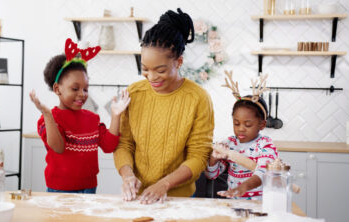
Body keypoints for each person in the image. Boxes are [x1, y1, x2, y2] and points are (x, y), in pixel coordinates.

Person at [113, 8, 214, 204]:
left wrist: (164, 184)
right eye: (145, 69)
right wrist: (127, 175)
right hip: (138, 195)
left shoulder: (198, 98)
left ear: (179, 62)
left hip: (180, 199)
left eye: (160, 70)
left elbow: (199, 155)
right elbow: (124, 143)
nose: (151, 77)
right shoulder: (134, 93)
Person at [30, 38, 131, 193]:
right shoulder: (48, 119)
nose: (82, 94)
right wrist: (47, 115)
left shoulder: (92, 118)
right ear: (57, 89)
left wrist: (116, 115)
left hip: (89, 188)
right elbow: (58, 147)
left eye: (85, 89)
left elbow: (108, 146)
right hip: (59, 189)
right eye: (75, 88)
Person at [205, 72, 278, 200]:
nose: (241, 129)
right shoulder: (229, 143)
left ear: (262, 125)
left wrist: (243, 187)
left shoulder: (265, 144)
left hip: (259, 203)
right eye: (236, 123)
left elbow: (263, 173)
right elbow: (211, 175)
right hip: (233, 202)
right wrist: (213, 159)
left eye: (248, 124)